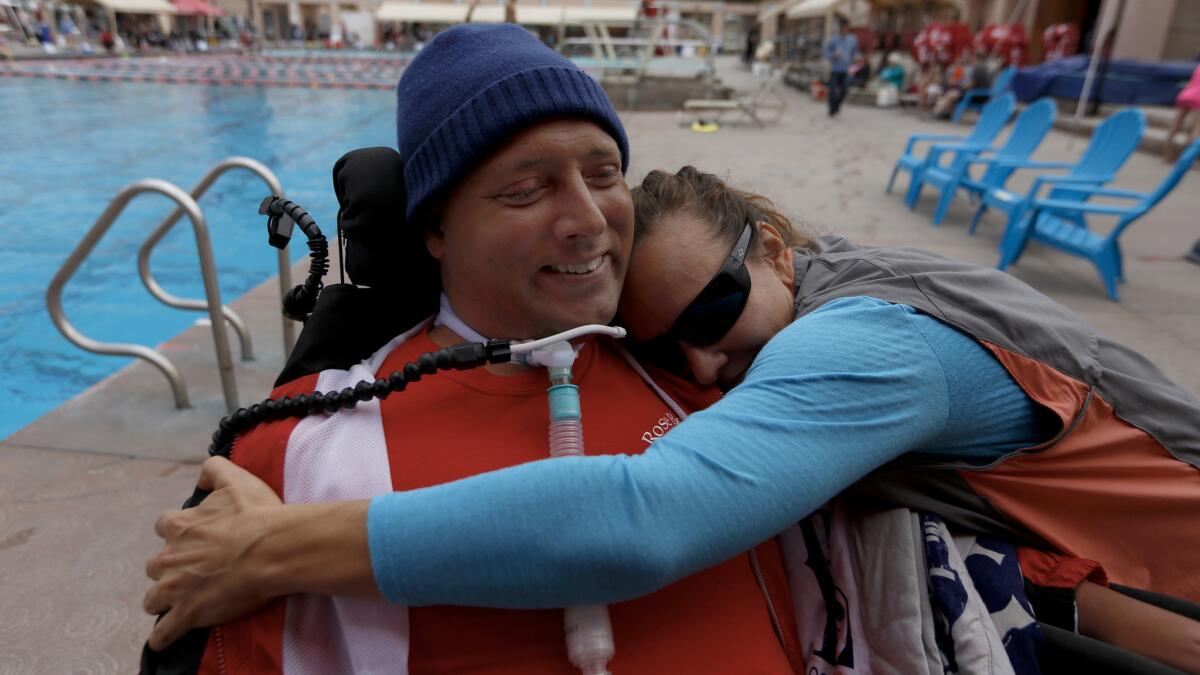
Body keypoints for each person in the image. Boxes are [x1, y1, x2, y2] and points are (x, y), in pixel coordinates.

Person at [147, 165, 1200, 672]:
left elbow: (642, 515)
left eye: (715, 309)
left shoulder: (870, 343)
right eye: (661, 348)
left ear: (778, 249)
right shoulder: (850, 285)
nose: (704, 364)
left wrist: (277, 547)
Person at [141, 25, 802, 675]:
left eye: (604, 175)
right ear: (435, 227)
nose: (589, 219)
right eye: (527, 190)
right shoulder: (300, 453)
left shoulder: (700, 357)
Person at [820, 17, 859, 116]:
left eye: (847, 27)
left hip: (846, 70)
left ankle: (836, 105)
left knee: (845, 90)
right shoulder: (833, 40)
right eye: (844, 27)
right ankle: (831, 109)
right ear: (840, 28)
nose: (845, 29)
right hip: (835, 69)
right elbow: (825, 53)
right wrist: (832, 55)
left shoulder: (852, 40)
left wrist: (856, 60)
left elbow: (856, 53)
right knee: (832, 90)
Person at [1163, 62, 1200, 162]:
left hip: (1185, 95)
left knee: (1175, 125)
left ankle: (1166, 155)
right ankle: (1188, 159)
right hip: (1198, 98)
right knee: (1196, 129)